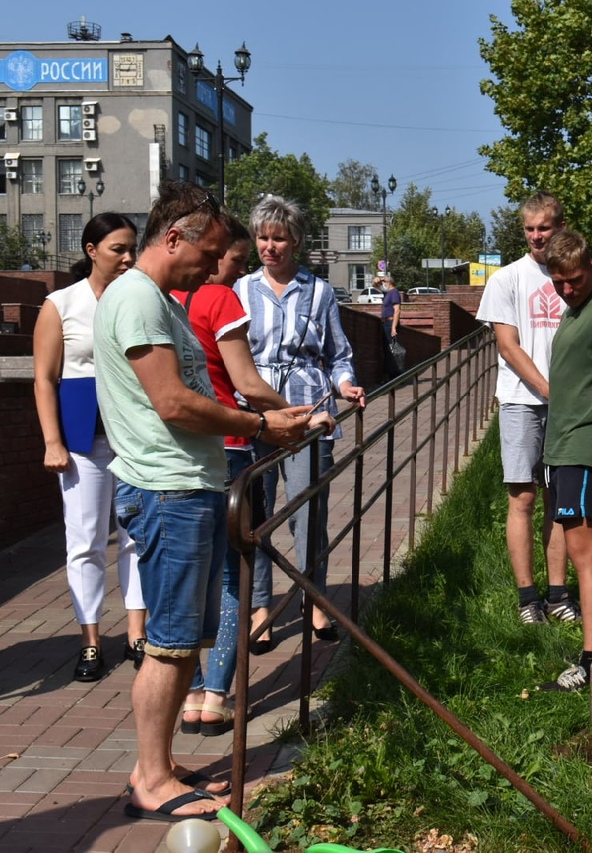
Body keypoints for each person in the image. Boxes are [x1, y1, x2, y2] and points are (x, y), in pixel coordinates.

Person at [94, 180, 311, 821]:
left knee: (184, 638)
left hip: (188, 485)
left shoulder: (158, 299)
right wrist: (260, 426)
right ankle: (152, 783)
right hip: (169, 490)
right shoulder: (138, 299)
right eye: (208, 253)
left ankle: (154, 767)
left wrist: (265, 419)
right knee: (169, 642)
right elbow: (173, 403)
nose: (215, 267)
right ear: (174, 238)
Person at [171, 217, 335, 736]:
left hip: (174, 452)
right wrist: (295, 416)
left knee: (187, 577)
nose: (244, 267)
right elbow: (246, 381)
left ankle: (191, 692)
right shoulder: (221, 299)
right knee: (231, 575)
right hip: (235, 442)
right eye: (237, 259)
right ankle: (216, 693)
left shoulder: (161, 300)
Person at [235, 194, 366, 649]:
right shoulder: (241, 289)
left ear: (296, 242)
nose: (270, 247)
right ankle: (260, 607)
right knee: (257, 515)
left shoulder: (320, 291)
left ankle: (314, 599)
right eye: (263, 238)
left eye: (280, 239)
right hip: (258, 415)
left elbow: (338, 355)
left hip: (310, 415)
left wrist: (346, 385)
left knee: (308, 512)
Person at [32, 213, 147, 682]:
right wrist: (52, 441)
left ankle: (137, 633)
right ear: (91, 249)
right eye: (118, 248)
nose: (127, 257)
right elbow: (44, 378)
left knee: (137, 536)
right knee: (85, 542)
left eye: (131, 248)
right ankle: (91, 641)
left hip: (133, 435)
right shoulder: (60, 304)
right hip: (81, 438)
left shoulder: (138, 298)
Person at [475, 192, 577, 626]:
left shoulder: (571, 276)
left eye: (545, 227)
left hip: (568, 403)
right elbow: (508, 346)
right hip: (521, 400)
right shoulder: (507, 279)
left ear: (560, 226)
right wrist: (549, 390)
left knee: (559, 500)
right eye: (530, 229)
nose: (537, 236)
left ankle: (558, 594)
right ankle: (527, 598)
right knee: (523, 497)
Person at [536, 231, 592, 691]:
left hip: (586, 448)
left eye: (573, 280)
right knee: (578, 550)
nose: (566, 289)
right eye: (557, 281)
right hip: (566, 447)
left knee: (585, 553)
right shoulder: (576, 309)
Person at [377, 274, 403, 378]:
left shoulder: (394, 293)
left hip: (390, 323)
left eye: (384, 282)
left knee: (391, 348)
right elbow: (375, 285)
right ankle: (390, 373)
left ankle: (394, 374)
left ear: (389, 283)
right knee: (387, 348)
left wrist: (393, 327)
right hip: (385, 323)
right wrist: (379, 279)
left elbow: (397, 310)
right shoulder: (387, 293)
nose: (383, 284)